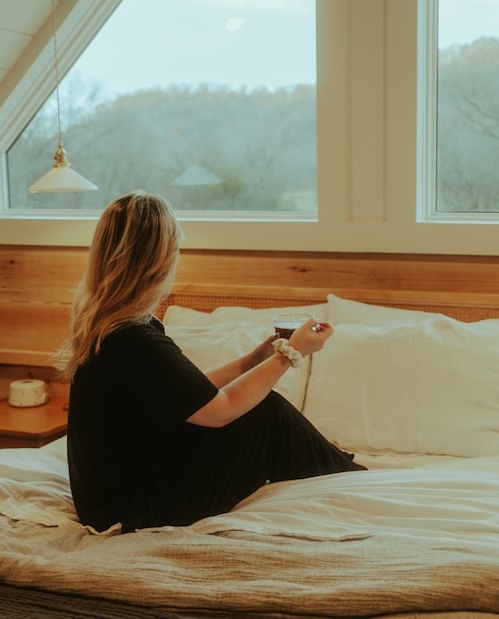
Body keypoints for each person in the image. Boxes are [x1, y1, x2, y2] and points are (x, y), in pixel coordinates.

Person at [58, 192, 364, 533]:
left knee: (265, 414)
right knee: (268, 415)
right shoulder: (133, 337)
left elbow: (186, 394)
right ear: (159, 260)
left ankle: (338, 468)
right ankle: (352, 479)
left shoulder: (112, 324)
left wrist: (256, 358)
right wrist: (291, 354)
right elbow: (219, 410)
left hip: (113, 498)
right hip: (137, 510)